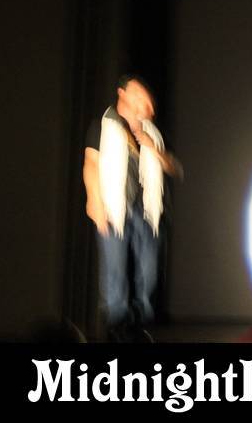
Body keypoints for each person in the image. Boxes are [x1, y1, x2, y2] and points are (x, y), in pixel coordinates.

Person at [83, 74, 181, 341]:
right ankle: (116, 326)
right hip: (114, 206)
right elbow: (91, 163)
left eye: (146, 97)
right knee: (114, 269)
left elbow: (174, 168)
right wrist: (94, 199)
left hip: (147, 210)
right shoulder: (103, 125)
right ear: (122, 93)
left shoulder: (153, 133)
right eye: (138, 93)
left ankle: (138, 324)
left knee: (148, 272)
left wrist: (153, 148)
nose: (144, 100)